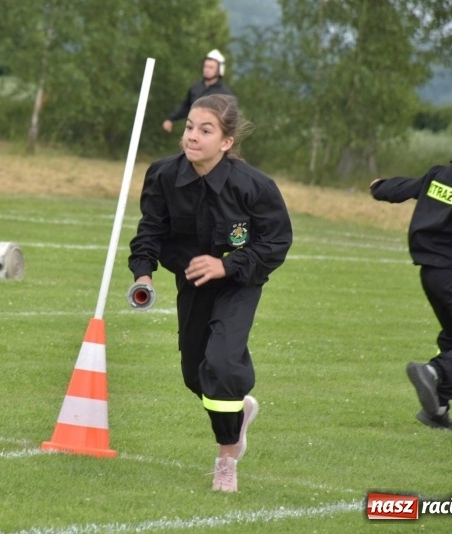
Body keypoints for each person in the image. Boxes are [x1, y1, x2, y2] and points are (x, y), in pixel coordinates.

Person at [129, 94, 293, 492]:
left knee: (221, 364)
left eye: (206, 130)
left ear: (226, 142)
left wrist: (227, 265)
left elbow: (276, 243)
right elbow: (150, 230)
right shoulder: (163, 175)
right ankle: (241, 409)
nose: (193, 137)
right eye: (189, 127)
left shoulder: (255, 187)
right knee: (195, 374)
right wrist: (144, 275)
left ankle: (226, 457)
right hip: (193, 284)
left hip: (239, 284)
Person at [370, 118, 452, 431]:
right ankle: (435, 373)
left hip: (431, 276)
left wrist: (380, 188)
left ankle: (437, 408)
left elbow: (409, 188)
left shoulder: (439, 176)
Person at [162, 49, 234, 134]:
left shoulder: (224, 94)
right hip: (192, 132)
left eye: (211, 67)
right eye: (205, 66)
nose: (207, 69)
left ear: (219, 70)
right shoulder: (195, 88)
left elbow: (229, 120)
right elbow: (185, 107)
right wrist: (170, 119)